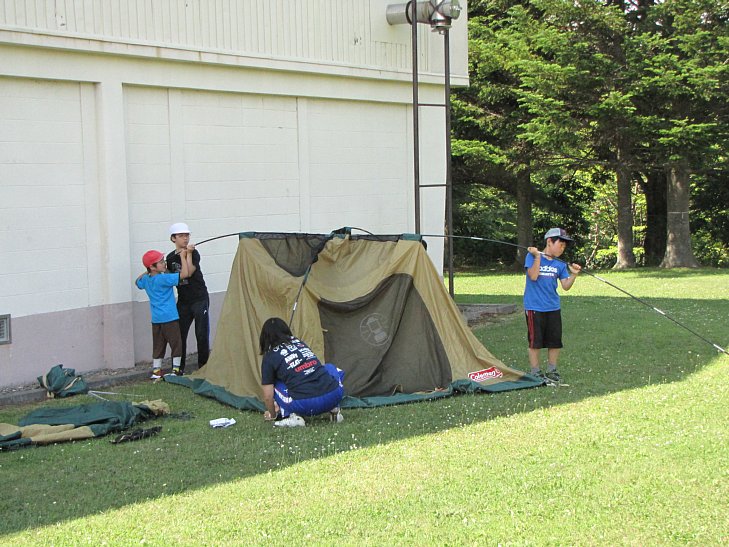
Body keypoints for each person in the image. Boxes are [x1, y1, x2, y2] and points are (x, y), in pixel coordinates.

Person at [259, 317, 345, 427]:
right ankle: (334, 409)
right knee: (329, 367)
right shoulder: (299, 343)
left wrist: (272, 415)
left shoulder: (270, 356)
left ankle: (291, 417)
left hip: (306, 404)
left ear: (265, 337)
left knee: (275, 384)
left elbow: (268, 396)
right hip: (334, 395)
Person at [524, 227, 582, 384]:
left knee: (554, 341)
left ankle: (552, 370)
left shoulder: (560, 264)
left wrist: (574, 274)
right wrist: (537, 256)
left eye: (564, 246)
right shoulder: (531, 256)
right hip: (534, 307)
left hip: (553, 307)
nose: (562, 249)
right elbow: (533, 276)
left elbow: (566, 286)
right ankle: (535, 372)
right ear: (549, 242)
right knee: (535, 342)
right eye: (560, 245)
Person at [136, 248, 192, 379]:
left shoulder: (146, 280)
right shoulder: (164, 279)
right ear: (153, 267)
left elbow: (137, 282)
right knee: (176, 344)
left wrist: (148, 270)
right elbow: (185, 274)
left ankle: (156, 371)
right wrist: (184, 256)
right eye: (161, 262)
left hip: (156, 319)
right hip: (170, 318)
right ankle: (176, 370)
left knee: (158, 345)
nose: (164, 263)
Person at [166, 222, 210, 375]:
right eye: (181, 236)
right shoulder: (170, 258)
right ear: (173, 238)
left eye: (187, 235)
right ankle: (179, 368)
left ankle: (203, 368)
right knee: (180, 334)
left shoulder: (194, 253)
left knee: (201, 334)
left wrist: (188, 254)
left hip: (199, 298)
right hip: (183, 301)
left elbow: (189, 272)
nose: (185, 238)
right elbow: (170, 276)